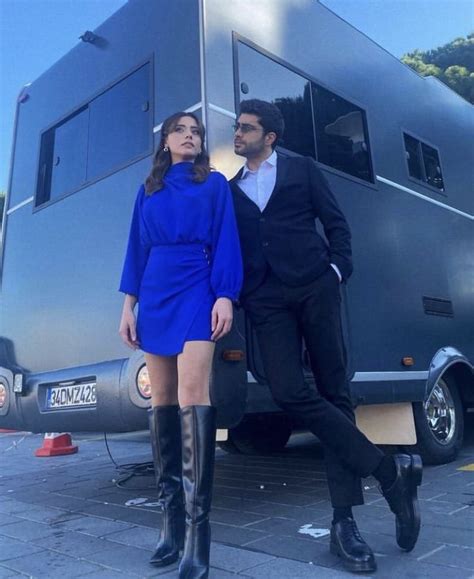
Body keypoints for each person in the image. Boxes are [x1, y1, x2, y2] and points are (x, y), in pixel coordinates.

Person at [229, 99, 422, 574]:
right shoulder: (230, 189)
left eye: (245, 128)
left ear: (269, 136)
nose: (237, 134)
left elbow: (336, 223)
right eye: (237, 127)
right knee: (289, 392)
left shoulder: (303, 169)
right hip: (266, 299)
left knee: (336, 395)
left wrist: (336, 271)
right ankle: (388, 472)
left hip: (315, 287)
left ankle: (344, 524)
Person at [119, 111, 242, 579]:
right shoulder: (146, 188)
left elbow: (227, 240)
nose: (190, 137)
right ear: (166, 140)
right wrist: (128, 306)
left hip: (197, 286)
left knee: (194, 398)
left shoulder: (213, 184)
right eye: (181, 131)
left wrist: (225, 294)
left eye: (196, 133)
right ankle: (169, 526)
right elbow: (135, 248)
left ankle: (197, 536)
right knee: (162, 402)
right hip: (154, 292)